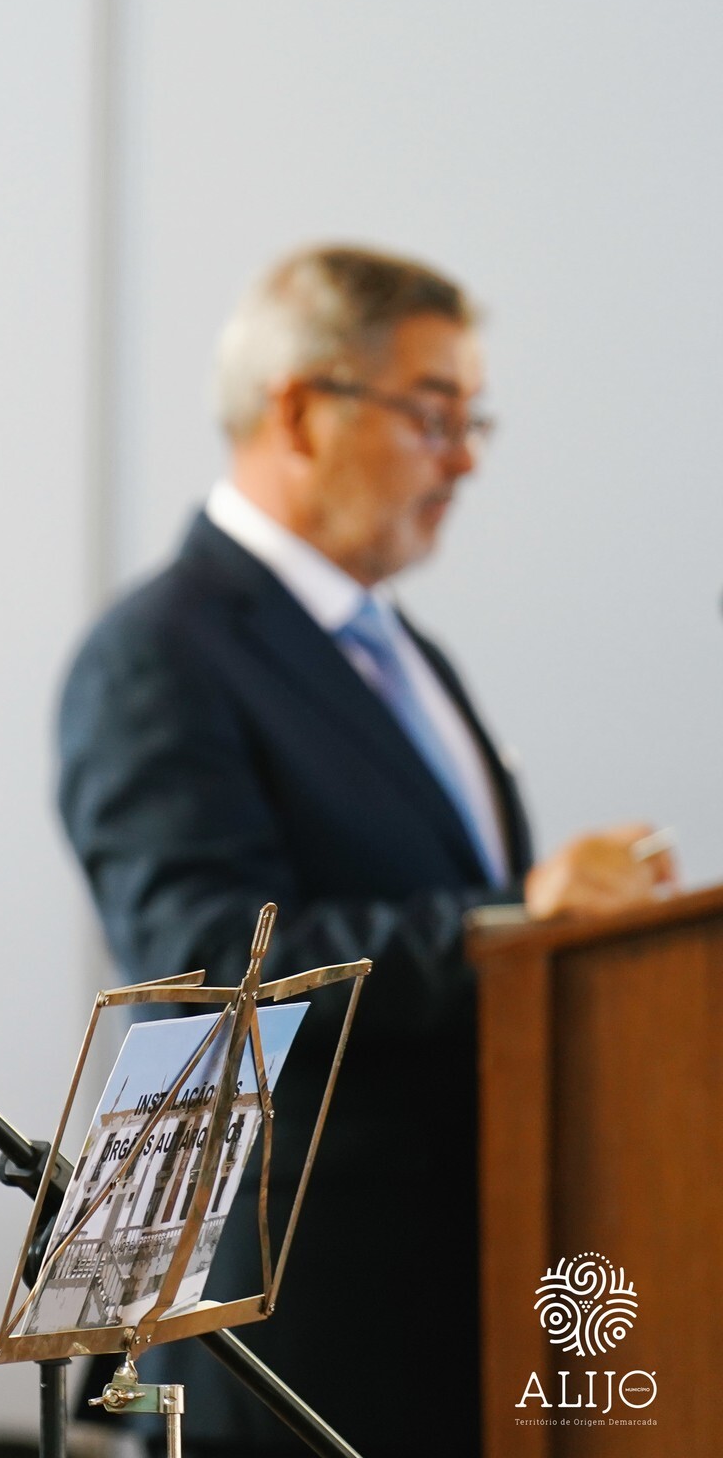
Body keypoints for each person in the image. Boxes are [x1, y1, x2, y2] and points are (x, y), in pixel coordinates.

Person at [56, 245, 671, 1457]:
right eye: (434, 415)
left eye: (475, 420)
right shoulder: (160, 651)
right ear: (300, 410)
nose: (467, 458)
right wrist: (516, 919)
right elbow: (203, 962)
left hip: (458, 1300)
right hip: (292, 1338)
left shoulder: (402, 652)